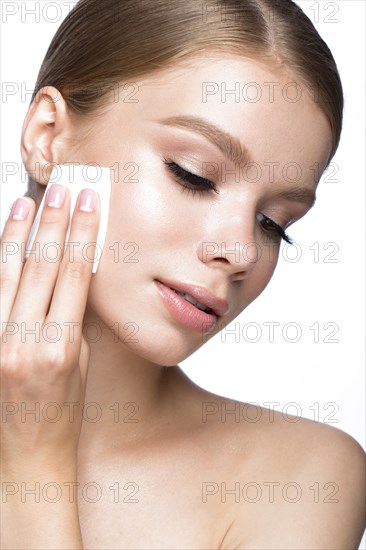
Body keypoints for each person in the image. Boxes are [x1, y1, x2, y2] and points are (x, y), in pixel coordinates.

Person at [1, 0, 365, 548]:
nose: (242, 249)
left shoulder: (300, 479)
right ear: (48, 136)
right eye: (192, 175)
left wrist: (34, 464)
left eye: (274, 223)